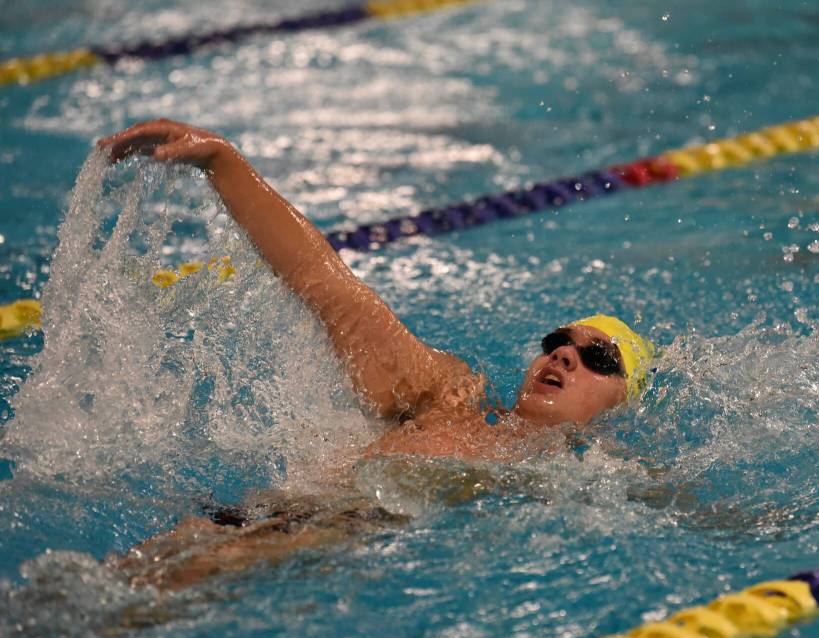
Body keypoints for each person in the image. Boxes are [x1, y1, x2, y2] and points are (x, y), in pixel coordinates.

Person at [97, 120, 655, 589]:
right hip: (261, 515)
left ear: (619, 402)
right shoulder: (449, 395)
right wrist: (223, 162)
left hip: (328, 546)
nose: (563, 358)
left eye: (597, 358)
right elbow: (329, 286)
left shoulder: (590, 477)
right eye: (557, 344)